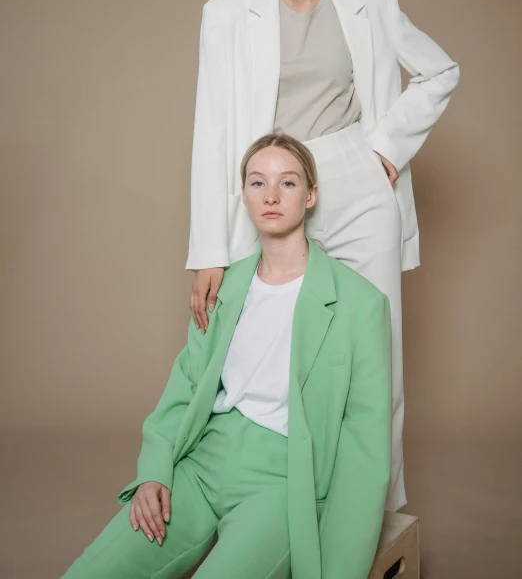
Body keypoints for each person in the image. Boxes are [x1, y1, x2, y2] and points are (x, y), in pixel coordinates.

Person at [187, 0, 460, 511]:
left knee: (375, 354)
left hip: (353, 178)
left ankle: (381, 513)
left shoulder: (372, 3)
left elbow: (439, 71)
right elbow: (214, 131)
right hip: (274, 187)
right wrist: (208, 249)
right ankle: (275, 502)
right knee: (272, 351)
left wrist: (385, 151)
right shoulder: (227, 12)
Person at [62, 134, 392, 579]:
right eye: (258, 183)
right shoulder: (223, 289)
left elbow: (364, 449)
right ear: (245, 195)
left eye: (288, 183)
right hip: (202, 462)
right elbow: (186, 385)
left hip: (282, 479)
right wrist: (155, 472)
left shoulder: (360, 304)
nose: (271, 196)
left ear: (311, 195)